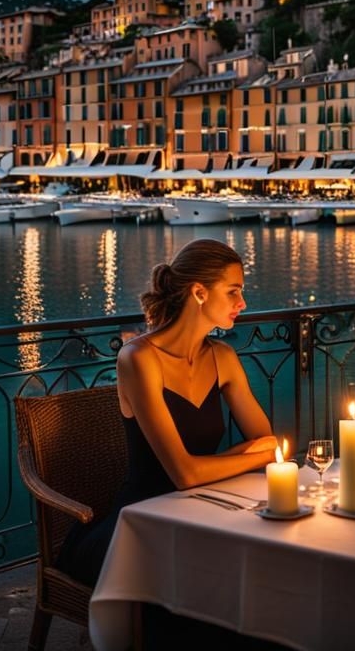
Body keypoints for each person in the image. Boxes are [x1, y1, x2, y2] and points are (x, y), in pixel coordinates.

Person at [57, 238, 278, 587]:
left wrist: (249, 455)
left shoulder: (223, 357)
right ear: (199, 292)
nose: (243, 302)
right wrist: (246, 456)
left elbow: (268, 444)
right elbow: (184, 475)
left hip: (205, 507)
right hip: (140, 525)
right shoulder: (139, 358)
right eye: (233, 291)